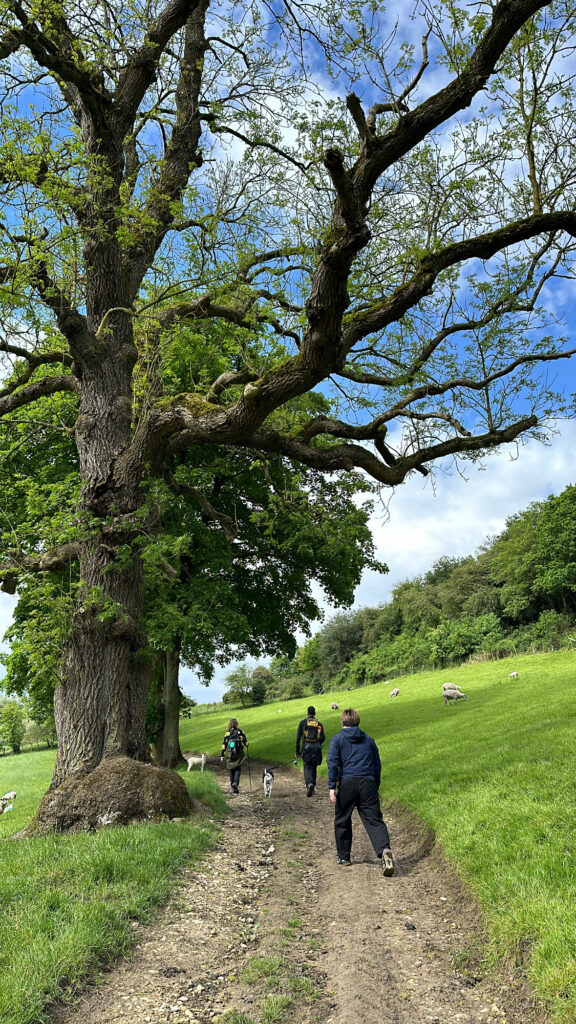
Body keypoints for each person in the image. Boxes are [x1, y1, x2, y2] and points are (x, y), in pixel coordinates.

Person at [326, 708, 394, 875]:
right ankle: (384, 851)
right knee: (374, 820)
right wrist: (375, 784)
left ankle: (344, 857)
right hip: (368, 782)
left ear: (342, 723)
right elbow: (377, 765)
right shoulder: (369, 740)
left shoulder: (337, 739)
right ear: (358, 722)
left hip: (348, 782)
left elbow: (332, 763)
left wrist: (332, 787)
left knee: (342, 818)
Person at [295, 705, 326, 797]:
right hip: (316, 747)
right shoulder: (319, 724)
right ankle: (313, 784)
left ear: (307, 713)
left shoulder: (302, 723)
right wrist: (318, 744)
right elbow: (323, 737)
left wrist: (297, 752)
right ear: (314, 713)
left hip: (306, 748)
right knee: (314, 767)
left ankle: (309, 784)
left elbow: (298, 739)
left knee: (307, 767)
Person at [220, 718, 248, 794]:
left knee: (231, 768)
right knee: (238, 768)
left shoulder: (227, 733)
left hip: (229, 753)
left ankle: (232, 784)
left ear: (229, 724)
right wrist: (247, 744)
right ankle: (235, 783)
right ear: (236, 724)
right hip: (238, 753)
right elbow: (245, 742)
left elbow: (224, 744)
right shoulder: (240, 731)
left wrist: (222, 754)